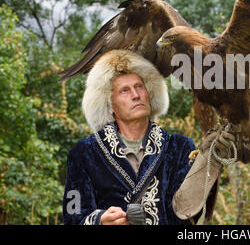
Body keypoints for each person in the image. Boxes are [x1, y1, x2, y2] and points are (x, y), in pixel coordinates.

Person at [62, 50, 235, 225]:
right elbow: (72, 215)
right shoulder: (83, 154)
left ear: (149, 93)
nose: (135, 95)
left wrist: (209, 164)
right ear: (110, 104)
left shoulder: (180, 147)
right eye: (124, 91)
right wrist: (99, 220)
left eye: (139, 86)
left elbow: (189, 214)